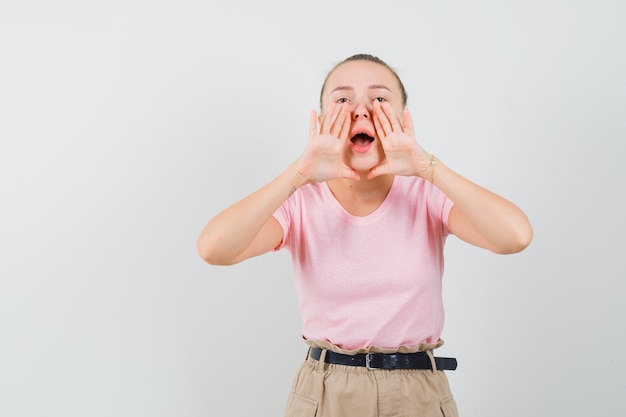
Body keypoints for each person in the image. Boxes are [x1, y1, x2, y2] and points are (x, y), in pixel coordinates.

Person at [196, 53, 533, 417]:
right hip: (325, 392)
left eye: (379, 99)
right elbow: (214, 248)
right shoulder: (301, 203)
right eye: (343, 99)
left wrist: (427, 167)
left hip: (417, 391)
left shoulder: (426, 195)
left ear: (403, 120)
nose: (361, 110)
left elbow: (515, 235)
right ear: (323, 121)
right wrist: (298, 174)